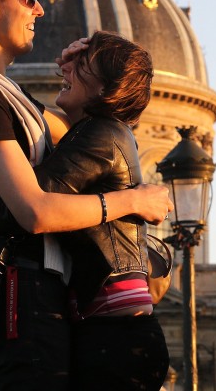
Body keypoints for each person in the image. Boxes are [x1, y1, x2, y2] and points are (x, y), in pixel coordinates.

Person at [0, 0, 172, 390]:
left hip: (43, 290)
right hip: (22, 292)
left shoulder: (5, 98)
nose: (39, 9)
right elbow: (36, 209)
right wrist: (133, 200)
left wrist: (92, 78)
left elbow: (88, 128)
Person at [33, 31, 169, 390]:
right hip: (116, 330)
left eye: (83, 66)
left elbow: (31, 199)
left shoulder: (100, 135)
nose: (69, 70)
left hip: (115, 337)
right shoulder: (102, 133)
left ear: (106, 90)